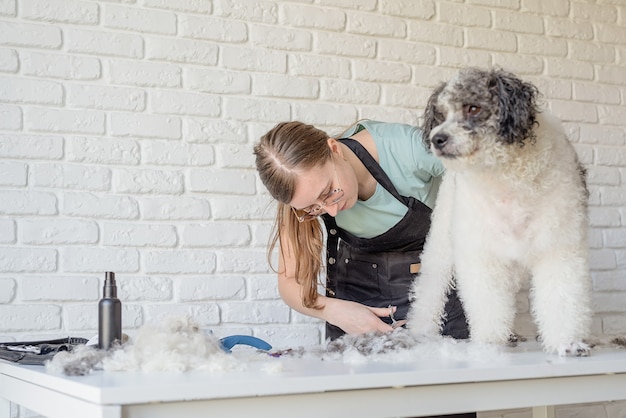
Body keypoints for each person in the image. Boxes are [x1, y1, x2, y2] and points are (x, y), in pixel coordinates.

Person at [253, 119, 470, 342]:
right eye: (313, 208)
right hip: (354, 309)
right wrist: (332, 310)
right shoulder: (299, 194)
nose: (332, 210)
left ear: (335, 150)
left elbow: (487, 175)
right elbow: (290, 283)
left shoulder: (407, 148)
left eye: (329, 191)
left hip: (435, 300)